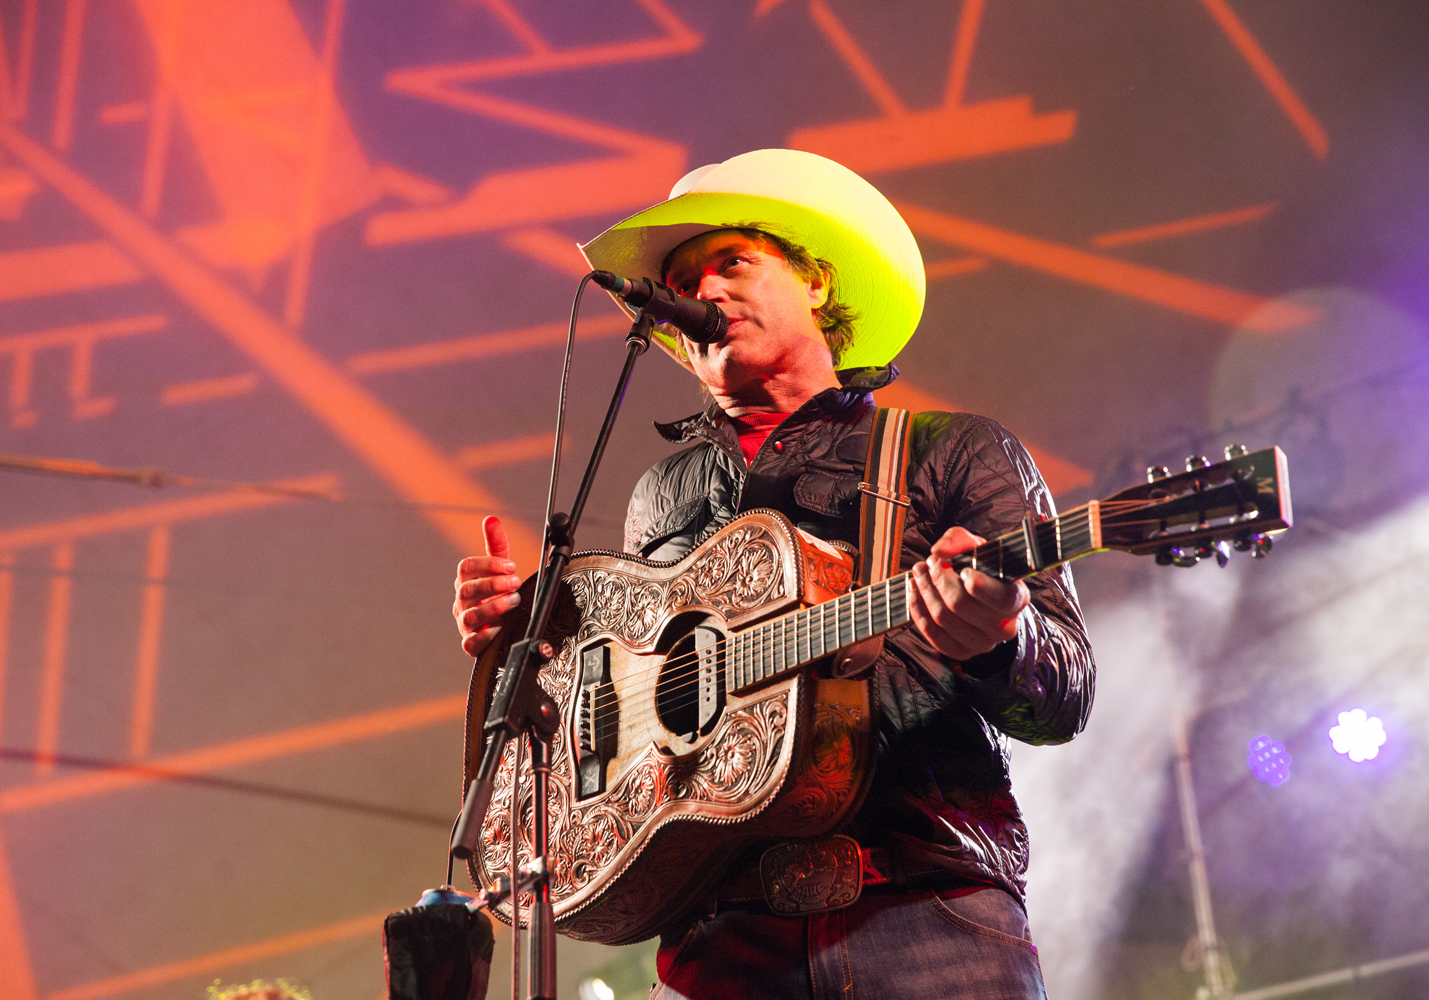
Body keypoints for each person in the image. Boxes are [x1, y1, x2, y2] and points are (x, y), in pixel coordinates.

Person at [454, 149, 1094, 999]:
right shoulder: (663, 493)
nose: (703, 291)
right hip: (716, 937)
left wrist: (997, 641)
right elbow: (630, 690)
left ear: (818, 285)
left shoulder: (950, 452)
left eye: (732, 263)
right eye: (684, 279)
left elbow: (1065, 699)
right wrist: (529, 644)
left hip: (921, 914)